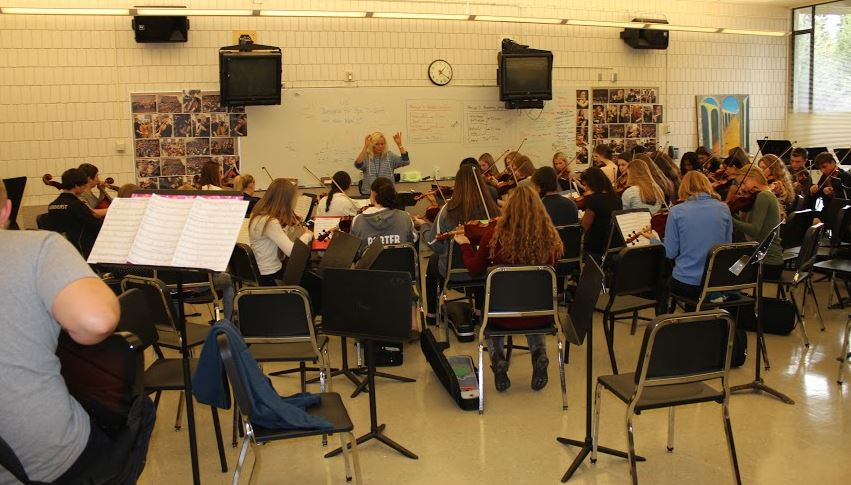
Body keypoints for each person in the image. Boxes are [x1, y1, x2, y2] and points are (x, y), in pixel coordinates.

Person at [0, 180, 155, 485]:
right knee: (141, 410)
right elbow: (95, 321)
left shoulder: (60, 205)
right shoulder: (37, 248)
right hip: (45, 464)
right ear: (7, 210)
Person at [453, 186, 563, 392]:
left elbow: (474, 269)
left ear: (508, 208)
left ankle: (499, 360)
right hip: (542, 314)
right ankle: (539, 354)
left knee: (493, 314)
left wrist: (465, 244)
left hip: (501, 315)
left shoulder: (493, 236)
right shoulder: (551, 239)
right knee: (530, 304)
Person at [420, 163, 500, 323]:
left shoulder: (448, 209)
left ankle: (431, 315)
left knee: (433, 262)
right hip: (484, 271)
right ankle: (479, 310)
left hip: (453, 271)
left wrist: (424, 227)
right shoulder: (492, 209)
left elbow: (433, 244)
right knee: (479, 258)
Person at [640, 171, 732, 299]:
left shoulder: (677, 211)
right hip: (714, 280)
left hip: (687, 281)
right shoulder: (724, 208)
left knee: (662, 282)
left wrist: (653, 239)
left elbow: (670, 252)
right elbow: (727, 247)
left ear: (684, 188)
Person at [248, 179, 314, 286]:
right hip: (270, 278)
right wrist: (308, 235)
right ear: (286, 201)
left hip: (260, 273)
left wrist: (288, 227)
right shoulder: (270, 222)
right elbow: (292, 252)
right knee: (311, 281)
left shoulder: (257, 214)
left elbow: (275, 240)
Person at [731, 166, 784, 279]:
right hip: (763, 258)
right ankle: (732, 295)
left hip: (766, 262)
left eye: (744, 182)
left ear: (754, 177)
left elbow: (754, 230)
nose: (742, 188)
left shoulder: (763, 196)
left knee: (728, 269)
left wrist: (730, 219)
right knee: (732, 266)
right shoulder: (765, 195)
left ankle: (730, 295)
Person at [350, 177, 418, 254]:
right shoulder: (405, 217)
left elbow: (353, 251)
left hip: (370, 266)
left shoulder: (358, 220)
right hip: (399, 265)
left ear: (373, 193)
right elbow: (414, 239)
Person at [47, 168, 104, 258]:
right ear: (77, 186)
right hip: (80, 252)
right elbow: (96, 226)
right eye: (84, 185)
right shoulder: (77, 205)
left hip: (61, 251)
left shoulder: (52, 205)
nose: (85, 187)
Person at [578, 166, 622, 260]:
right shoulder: (617, 198)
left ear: (592, 184)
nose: (586, 189)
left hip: (595, 247)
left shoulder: (594, 200)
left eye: (586, 185)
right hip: (611, 245)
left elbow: (584, 226)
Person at [354, 131, 410, 196]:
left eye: (382, 144)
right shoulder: (367, 156)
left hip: (388, 194)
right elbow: (358, 165)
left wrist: (399, 145)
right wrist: (366, 146)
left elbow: (406, 161)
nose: (380, 146)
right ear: (372, 144)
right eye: (377, 144)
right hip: (369, 194)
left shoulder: (389, 155)